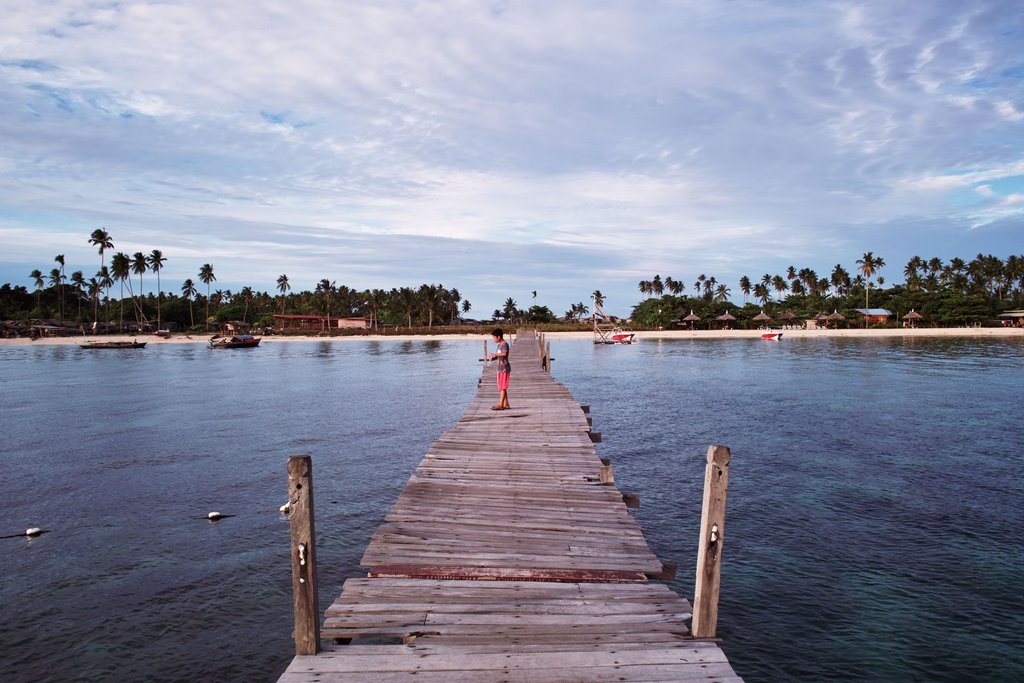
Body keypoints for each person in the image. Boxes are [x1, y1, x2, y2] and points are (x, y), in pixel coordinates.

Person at [487, 328, 511, 410]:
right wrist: (492, 357)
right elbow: (499, 355)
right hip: (500, 368)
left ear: (499, 337)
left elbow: (504, 353)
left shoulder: (504, 344)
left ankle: (500, 404)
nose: (493, 339)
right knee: (501, 386)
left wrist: (495, 354)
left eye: (494, 338)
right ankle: (506, 404)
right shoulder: (499, 345)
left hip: (504, 368)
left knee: (503, 386)